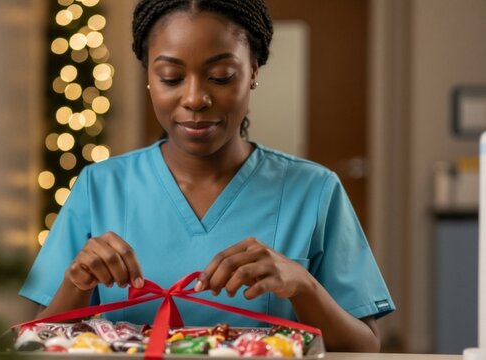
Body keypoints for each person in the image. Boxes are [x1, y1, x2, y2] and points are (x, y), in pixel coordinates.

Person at [20, 0, 394, 352]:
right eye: (171, 77)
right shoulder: (99, 187)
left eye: (220, 76)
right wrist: (76, 283)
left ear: (253, 72)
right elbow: (36, 343)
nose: (195, 98)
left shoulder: (315, 191)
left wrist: (303, 286)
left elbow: (364, 347)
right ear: (149, 75)